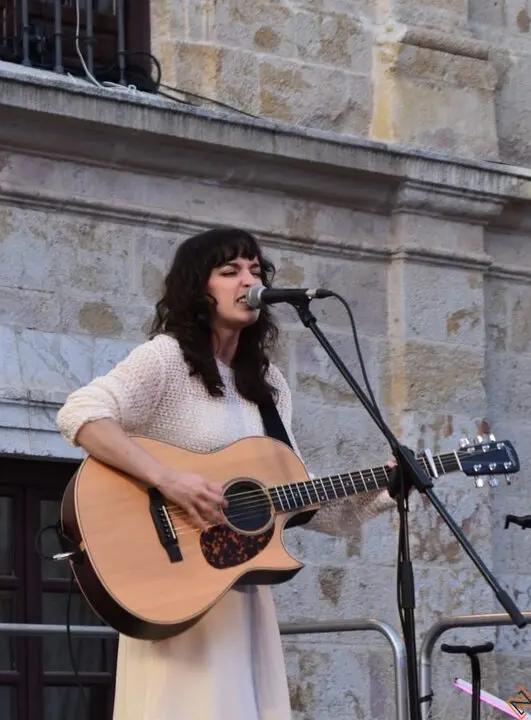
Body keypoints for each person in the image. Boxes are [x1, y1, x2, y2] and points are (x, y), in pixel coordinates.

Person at [55, 227, 396, 720]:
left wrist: (386, 490)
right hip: (175, 590)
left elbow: (300, 503)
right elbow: (80, 414)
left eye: (256, 271)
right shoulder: (167, 360)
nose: (248, 280)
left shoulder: (269, 385)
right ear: (199, 288)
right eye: (230, 270)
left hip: (239, 595)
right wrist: (166, 479)